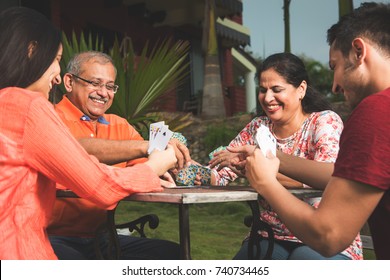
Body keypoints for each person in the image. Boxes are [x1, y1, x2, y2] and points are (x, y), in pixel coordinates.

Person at [0, 7, 176, 260]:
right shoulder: (29, 106)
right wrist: (152, 167)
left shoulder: (7, 104)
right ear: (32, 50)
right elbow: (99, 185)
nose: (57, 76)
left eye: (109, 86)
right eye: (56, 59)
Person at [231, 2, 390, 260]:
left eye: (334, 66)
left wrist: (266, 182)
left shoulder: (376, 112)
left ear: (359, 51)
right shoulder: (258, 127)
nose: (335, 85)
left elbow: (329, 235)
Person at [204, 53, 362, 259]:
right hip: (268, 235)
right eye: (262, 90)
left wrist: (260, 175)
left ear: (301, 89)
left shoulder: (324, 122)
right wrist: (192, 172)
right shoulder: (257, 127)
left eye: (276, 90)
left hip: (319, 234)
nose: (268, 98)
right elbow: (220, 171)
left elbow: (330, 179)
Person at [47, 51, 184, 259]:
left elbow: (149, 166)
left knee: (174, 255)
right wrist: (149, 147)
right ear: (69, 82)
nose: (103, 93)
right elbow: (77, 148)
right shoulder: (50, 117)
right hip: (54, 236)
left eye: (110, 86)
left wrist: (169, 160)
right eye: (95, 83)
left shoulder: (119, 124)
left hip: (103, 237)